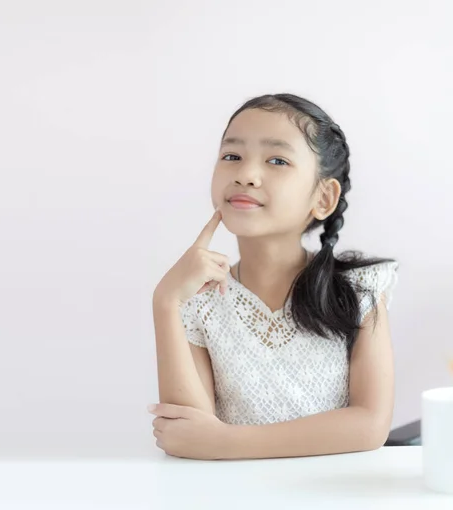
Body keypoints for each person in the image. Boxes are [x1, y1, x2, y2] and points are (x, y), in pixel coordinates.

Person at [149, 93, 398, 460]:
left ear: (324, 197)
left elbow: (370, 425)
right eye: (231, 156)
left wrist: (226, 443)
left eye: (277, 160)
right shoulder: (197, 301)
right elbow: (187, 437)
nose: (246, 175)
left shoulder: (359, 290)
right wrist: (166, 302)